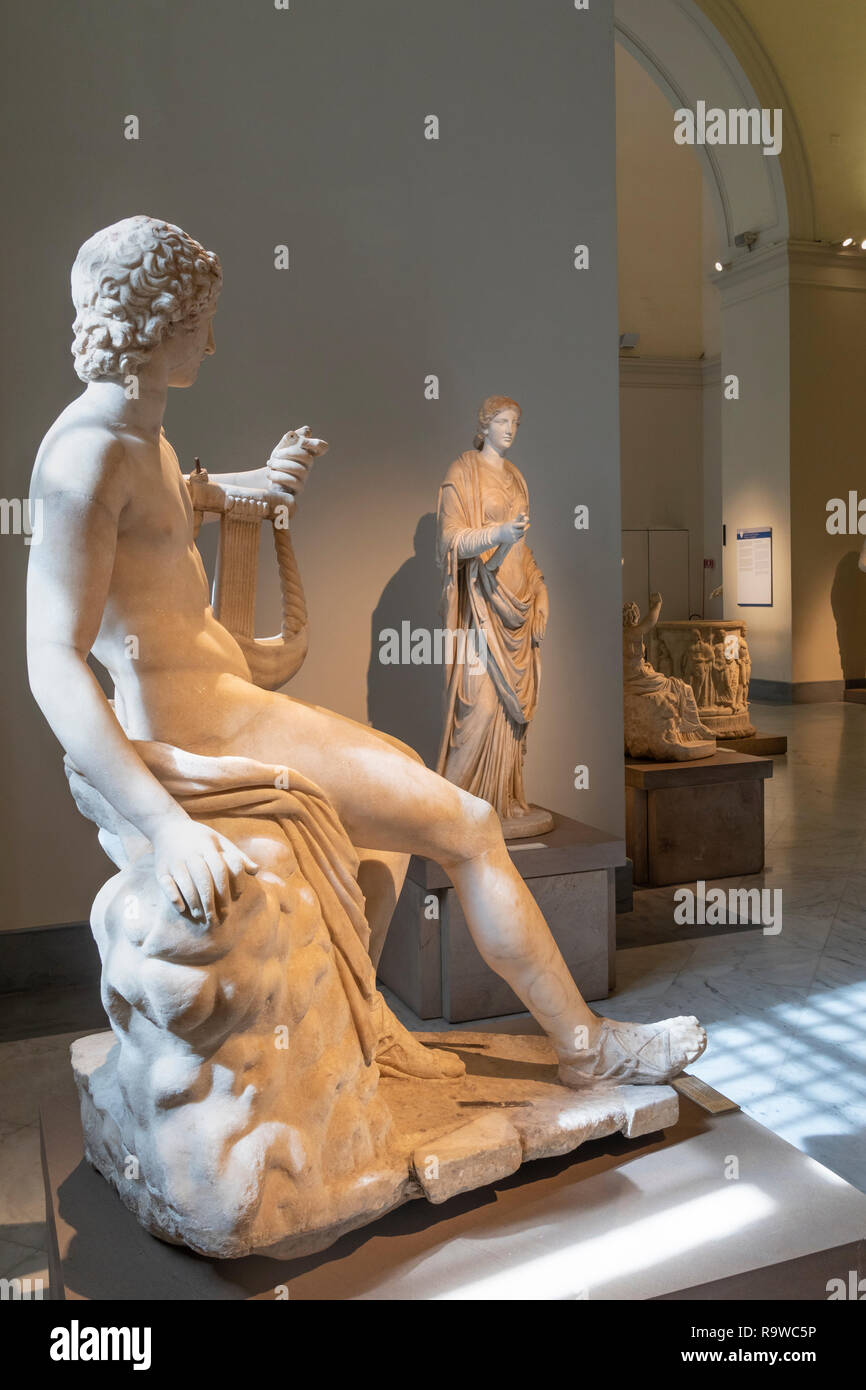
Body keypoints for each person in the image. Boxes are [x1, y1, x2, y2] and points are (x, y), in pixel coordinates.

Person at [27, 216, 705, 1088]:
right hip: (203, 735)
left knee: (385, 817)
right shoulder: (87, 459)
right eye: (201, 325)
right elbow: (51, 656)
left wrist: (248, 484)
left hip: (231, 705)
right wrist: (167, 828)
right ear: (157, 325)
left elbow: (165, 510)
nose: (215, 342)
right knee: (467, 822)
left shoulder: (141, 437)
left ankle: (362, 1026)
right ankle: (587, 1047)